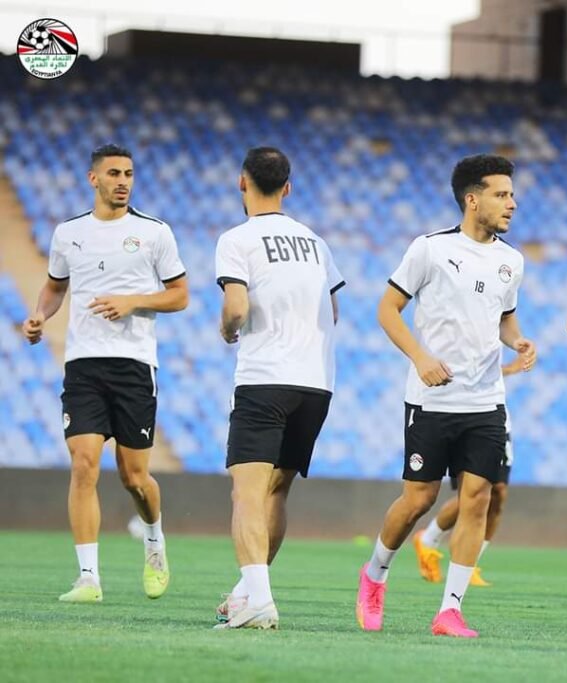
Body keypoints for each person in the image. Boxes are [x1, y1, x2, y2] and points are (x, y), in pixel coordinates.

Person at [356, 154, 535, 638]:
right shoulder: (430, 249)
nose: (512, 203)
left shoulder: (511, 261)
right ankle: (375, 575)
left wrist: (518, 340)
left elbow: (504, 318)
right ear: (472, 199)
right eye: (502, 194)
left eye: (512, 194)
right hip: (431, 400)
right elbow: (387, 309)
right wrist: (420, 357)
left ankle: (450, 610)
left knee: (477, 498)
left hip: (486, 401)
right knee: (419, 499)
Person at [22, 143, 188, 603]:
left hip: (134, 365)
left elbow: (180, 295)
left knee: (134, 477)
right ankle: (88, 578)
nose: (123, 182)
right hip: (83, 364)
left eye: (129, 174)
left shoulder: (154, 232)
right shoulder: (68, 233)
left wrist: (133, 301)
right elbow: (55, 287)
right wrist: (39, 315)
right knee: (83, 464)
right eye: (114, 173)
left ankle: (153, 538)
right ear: (93, 178)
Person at [211, 147, 344, 630]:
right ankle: (246, 592)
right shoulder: (315, 242)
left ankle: (261, 602)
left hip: (265, 377)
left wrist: (228, 329)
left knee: (246, 494)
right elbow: (333, 311)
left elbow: (237, 307)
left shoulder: (237, 239)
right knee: (276, 491)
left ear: (242, 182)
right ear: (287, 187)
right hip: (316, 383)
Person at [413, 357, 525, 587]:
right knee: (472, 495)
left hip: (495, 417)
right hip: (462, 415)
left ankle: (469, 563)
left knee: (498, 494)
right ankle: (429, 540)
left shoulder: (498, 333)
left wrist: (516, 352)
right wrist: (509, 368)